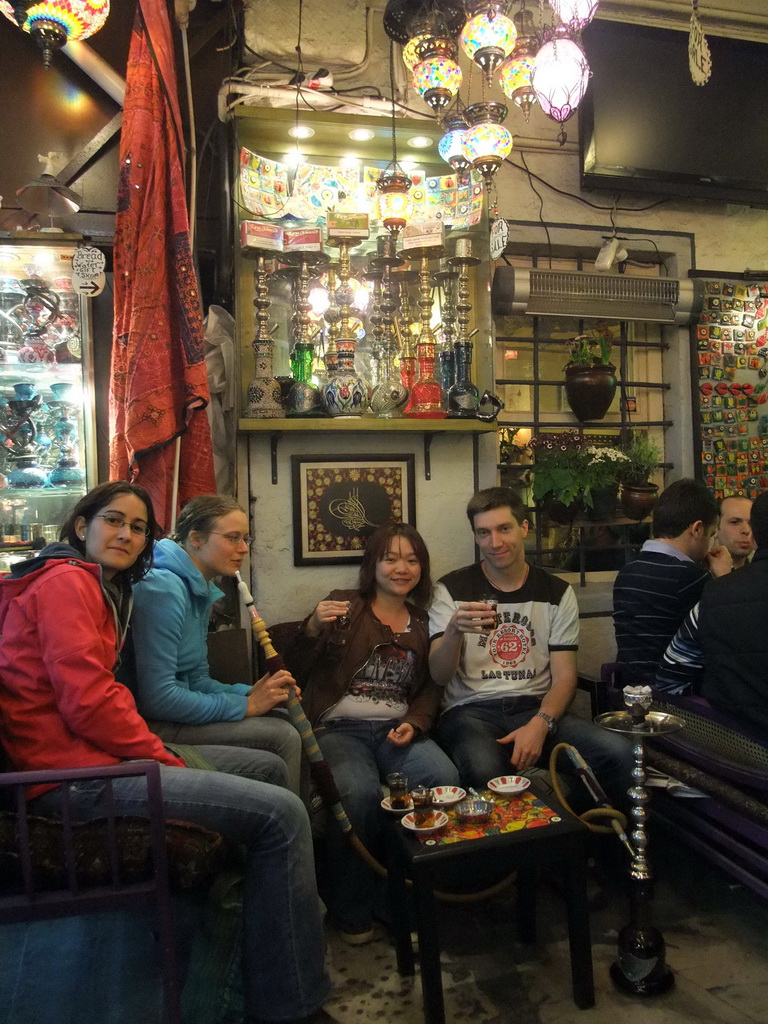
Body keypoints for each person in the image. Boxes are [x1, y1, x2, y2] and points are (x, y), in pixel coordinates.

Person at [0, 482, 331, 1024]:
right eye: (114, 521)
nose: (127, 534)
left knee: (272, 770)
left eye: (138, 527)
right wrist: (161, 754)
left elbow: (121, 694)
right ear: (81, 527)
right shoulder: (69, 583)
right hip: (69, 780)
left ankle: (273, 948)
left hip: (87, 763)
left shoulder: (86, 583)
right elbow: (93, 703)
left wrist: (245, 701)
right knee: (283, 812)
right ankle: (291, 1000)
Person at [284, 521, 459, 945]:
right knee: (357, 795)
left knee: (442, 780)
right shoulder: (343, 605)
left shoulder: (423, 621)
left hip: (396, 728)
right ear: (373, 564)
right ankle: (353, 907)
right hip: (338, 728)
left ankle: (412, 900)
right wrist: (310, 629)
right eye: (392, 558)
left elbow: (432, 686)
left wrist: (415, 723)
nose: (402, 568)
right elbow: (295, 670)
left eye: (412, 560)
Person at [429, 487, 632, 811]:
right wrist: (453, 630)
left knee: (619, 753)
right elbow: (439, 676)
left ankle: (583, 844)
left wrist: (541, 724)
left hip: (536, 706)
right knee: (485, 770)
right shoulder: (452, 589)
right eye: (484, 533)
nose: (494, 543)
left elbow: (564, 677)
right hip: (472, 712)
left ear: (524, 528)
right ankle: (514, 858)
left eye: (503, 529)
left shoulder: (556, 592)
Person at [129, 495, 303, 795]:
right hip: (151, 723)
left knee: (283, 717)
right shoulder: (163, 587)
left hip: (172, 713)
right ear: (195, 538)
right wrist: (245, 705)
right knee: (283, 736)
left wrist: (254, 693)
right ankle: (292, 821)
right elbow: (157, 699)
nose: (244, 548)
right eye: (233, 538)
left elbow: (196, 679)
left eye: (245, 538)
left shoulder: (197, 586)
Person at [656, 491, 768, 716]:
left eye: (747, 523)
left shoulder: (715, 594)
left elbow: (670, 677)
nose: (743, 530)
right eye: (735, 522)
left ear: (755, 537)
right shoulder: (705, 584)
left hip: (740, 738)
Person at [612, 478, 733, 686]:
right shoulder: (689, 577)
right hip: (676, 696)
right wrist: (724, 578)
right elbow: (728, 631)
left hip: (630, 690)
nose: (711, 543)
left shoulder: (627, 571)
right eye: (711, 535)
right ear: (696, 529)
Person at [715, 494, 755, 570]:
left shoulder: (761, 574)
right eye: (735, 522)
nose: (747, 530)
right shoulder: (699, 577)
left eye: (751, 523)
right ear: (716, 527)